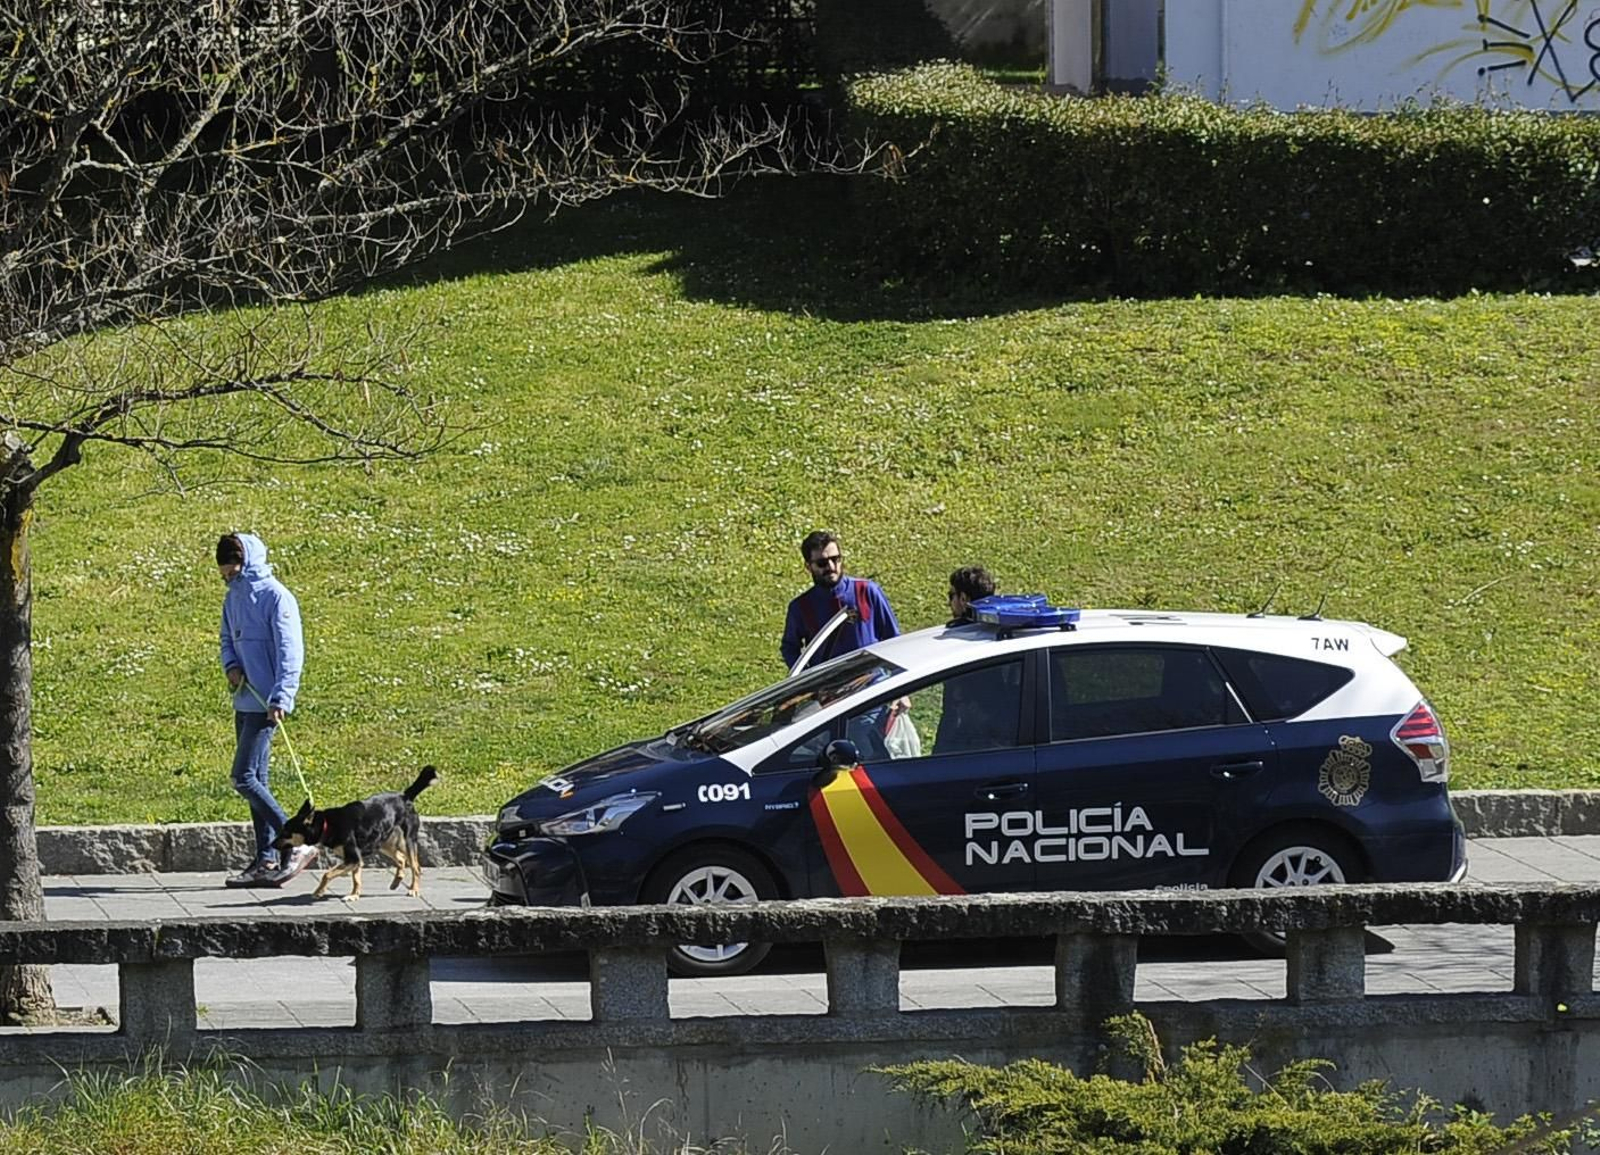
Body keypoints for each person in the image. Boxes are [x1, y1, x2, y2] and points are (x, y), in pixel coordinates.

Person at [216, 533, 316, 887]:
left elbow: (291, 651)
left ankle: (298, 841)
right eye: (224, 576)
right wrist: (231, 665)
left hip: (266, 704)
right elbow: (226, 638)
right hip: (245, 700)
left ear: (247, 564)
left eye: (232, 573)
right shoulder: (233, 598)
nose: (228, 580)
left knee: (242, 777)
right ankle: (267, 858)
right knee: (257, 780)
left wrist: (282, 697)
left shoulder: (276, 597)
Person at [780, 530, 902, 670]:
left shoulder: (866, 591)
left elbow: (893, 637)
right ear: (809, 567)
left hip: (873, 678)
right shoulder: (801, 607)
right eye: (822, 563)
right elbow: (790, 647)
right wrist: (807, 677)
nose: (831, 567)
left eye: (835, 559)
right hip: (830, 682)